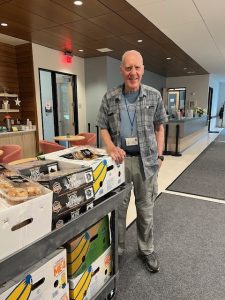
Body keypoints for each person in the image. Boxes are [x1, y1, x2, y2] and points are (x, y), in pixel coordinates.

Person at [97, 50, 167, 273]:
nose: (133, 72)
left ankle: (146, 250)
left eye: (137, 67)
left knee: (145, 209)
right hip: (120, 163)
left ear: (143, 69)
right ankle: (116, 252)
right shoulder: (110, 97)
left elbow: (160, 127)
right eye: (128, 68)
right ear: (121, 70)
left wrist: (160, 155)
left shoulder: (154, 96)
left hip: (147, 163)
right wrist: (110, 147)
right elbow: (103, 127)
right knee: (118, 210)